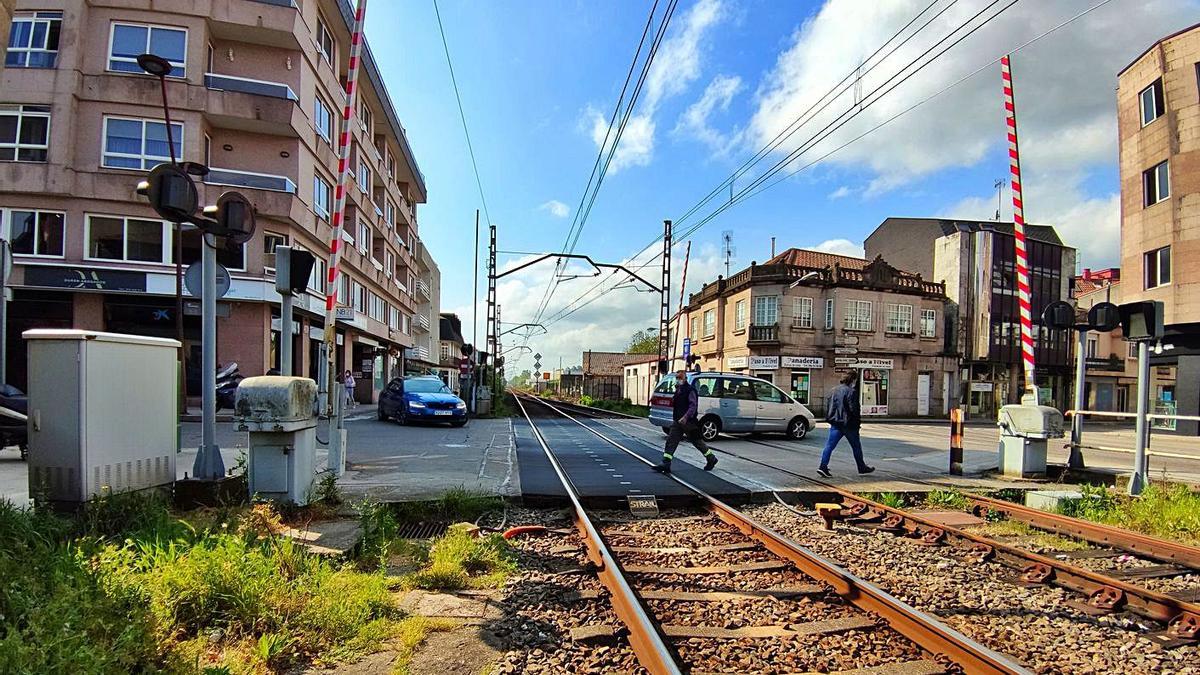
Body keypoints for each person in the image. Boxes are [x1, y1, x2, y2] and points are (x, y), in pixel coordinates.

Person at [652, 370, 718, 474]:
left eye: (680, 378)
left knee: (697, 442)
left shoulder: (690, 390)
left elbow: (693, 406)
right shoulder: (679, 389)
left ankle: (711, 458)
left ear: (685, 379)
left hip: (688, 423)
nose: (678, 380)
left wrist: (685, 417)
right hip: (677, 421)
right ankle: (666, 463)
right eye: (677, 378)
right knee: (671, 441)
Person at [818, 371, 875, 478]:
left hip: (836, 423)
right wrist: (857, 423)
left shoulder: (833, 391)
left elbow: (830, 407)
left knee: (829, 446)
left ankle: (823, 466)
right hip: (849, 425)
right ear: (853, 380)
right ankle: (861, 467)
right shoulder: (851, 392)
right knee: (856, 446)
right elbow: (854, 410)